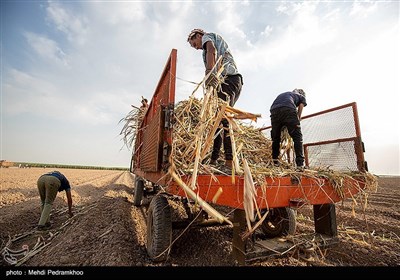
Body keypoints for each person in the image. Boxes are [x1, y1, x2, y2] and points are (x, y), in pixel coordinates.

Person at [187, 28, 243, 169]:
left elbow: (212, 50)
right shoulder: (205, 50)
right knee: (217, 121)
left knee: (224, 118)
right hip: (226, 82)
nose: (196, 47)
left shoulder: (208, 38)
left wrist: (209, 73)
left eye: (194, 43)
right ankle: (214, 159)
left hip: (228, 80)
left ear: (198, 35)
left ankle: (229, 162)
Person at [270, 89, 307, 169]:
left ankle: (275, 162)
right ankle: (300, 164)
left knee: (276, 138)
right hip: (288, 108)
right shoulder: (301, 96)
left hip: (274, 110)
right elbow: (301, 105)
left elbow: (281, 113)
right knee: (297, 136)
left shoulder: (285, 94)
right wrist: (298, 119)